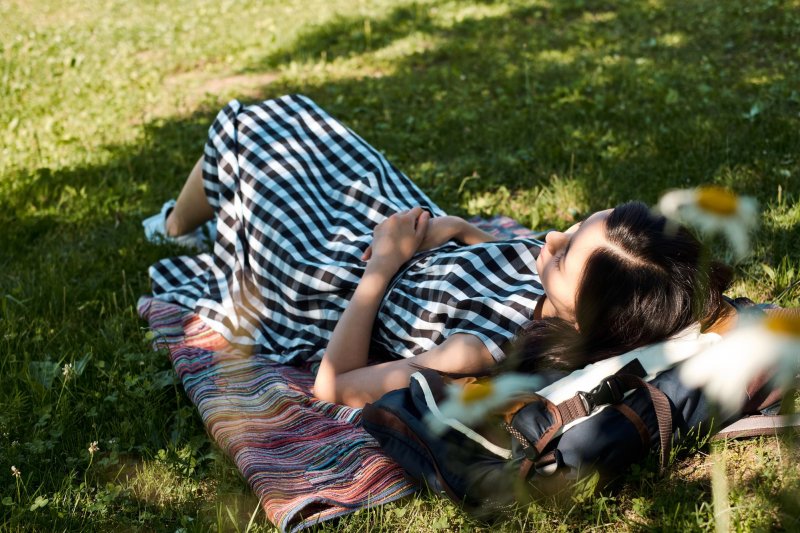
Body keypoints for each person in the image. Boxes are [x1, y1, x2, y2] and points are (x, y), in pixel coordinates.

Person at [144, 95, 733, 408]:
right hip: (413, 237)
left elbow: (334, 383)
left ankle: (174, 225)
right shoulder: (568, 299)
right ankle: (190, 217)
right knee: (297, 118)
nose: (551, 239)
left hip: (337, 275)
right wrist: (461, 232)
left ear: (584, 318)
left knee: (250, 131)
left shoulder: (475, 353)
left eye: (562, 257)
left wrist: (381, 264)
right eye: (576, 227)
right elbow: (500, 261)